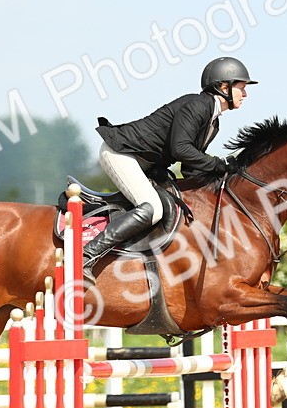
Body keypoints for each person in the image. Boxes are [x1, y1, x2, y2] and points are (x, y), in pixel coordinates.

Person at [83, 56, 257, 276]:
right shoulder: (197, 105)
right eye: (241, 88)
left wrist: (225, 177)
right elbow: (181, 149)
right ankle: (87, 255)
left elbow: (189, 167)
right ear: (224, 87)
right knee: (152, 209)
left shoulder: (213, 122)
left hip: (144, 162)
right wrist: (219, 163)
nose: (245, 94)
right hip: (121, 153)